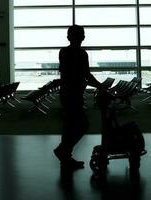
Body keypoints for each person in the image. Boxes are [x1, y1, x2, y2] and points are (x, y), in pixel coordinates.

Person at [54, 25, 104, 170]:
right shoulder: (82, 54)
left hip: (66, 93)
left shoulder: (63, 52)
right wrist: (100, 86)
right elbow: (87, 75)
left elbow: (65, 72)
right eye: (82, 35)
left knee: (69, 126)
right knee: (82, 124)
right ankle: (63, 150)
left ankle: (66, 158)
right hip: (74, 94)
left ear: (68, 37)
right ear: (82, 37)